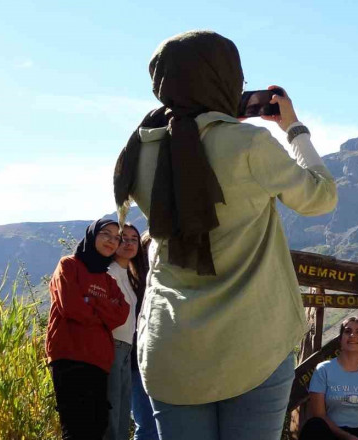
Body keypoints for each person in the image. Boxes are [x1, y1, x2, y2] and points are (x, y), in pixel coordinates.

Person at [113, 30, 337, 439]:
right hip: (254, 343)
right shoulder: (249, 144)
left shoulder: (140, 148)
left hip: (171, 345)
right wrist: (293, 128)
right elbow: (321, 196)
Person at [46, 218, 131, 439]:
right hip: (70, 355)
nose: (111, 241)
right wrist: (104, 310)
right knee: (76, 427)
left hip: (99, 360)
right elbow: (72, 308)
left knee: (97, 426)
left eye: (116, 238)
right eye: (106, 234)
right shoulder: (69, 265)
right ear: (92, 235)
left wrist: (90, 300)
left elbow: (122, 313)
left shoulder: (108, 279)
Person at [300, 316, 358, 440]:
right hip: (330, 433)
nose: (352, 335)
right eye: (347, 331)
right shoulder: (323, 370)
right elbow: (319, 415)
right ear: (340, 339)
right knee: (314, 426)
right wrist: (348, 437)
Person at [104, 224, 145, 440]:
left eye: (134, 239)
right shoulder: (106, 273)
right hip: (110, 347)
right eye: (124, 238)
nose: (129, 243)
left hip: (128, 351)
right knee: (112, 413)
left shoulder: (131, 277)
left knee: (122, 415)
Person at [131, 231, 157, 440]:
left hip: (161, 362)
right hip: (134, 361)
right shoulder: (132, 281)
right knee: (146, 423)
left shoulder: (165, 285)